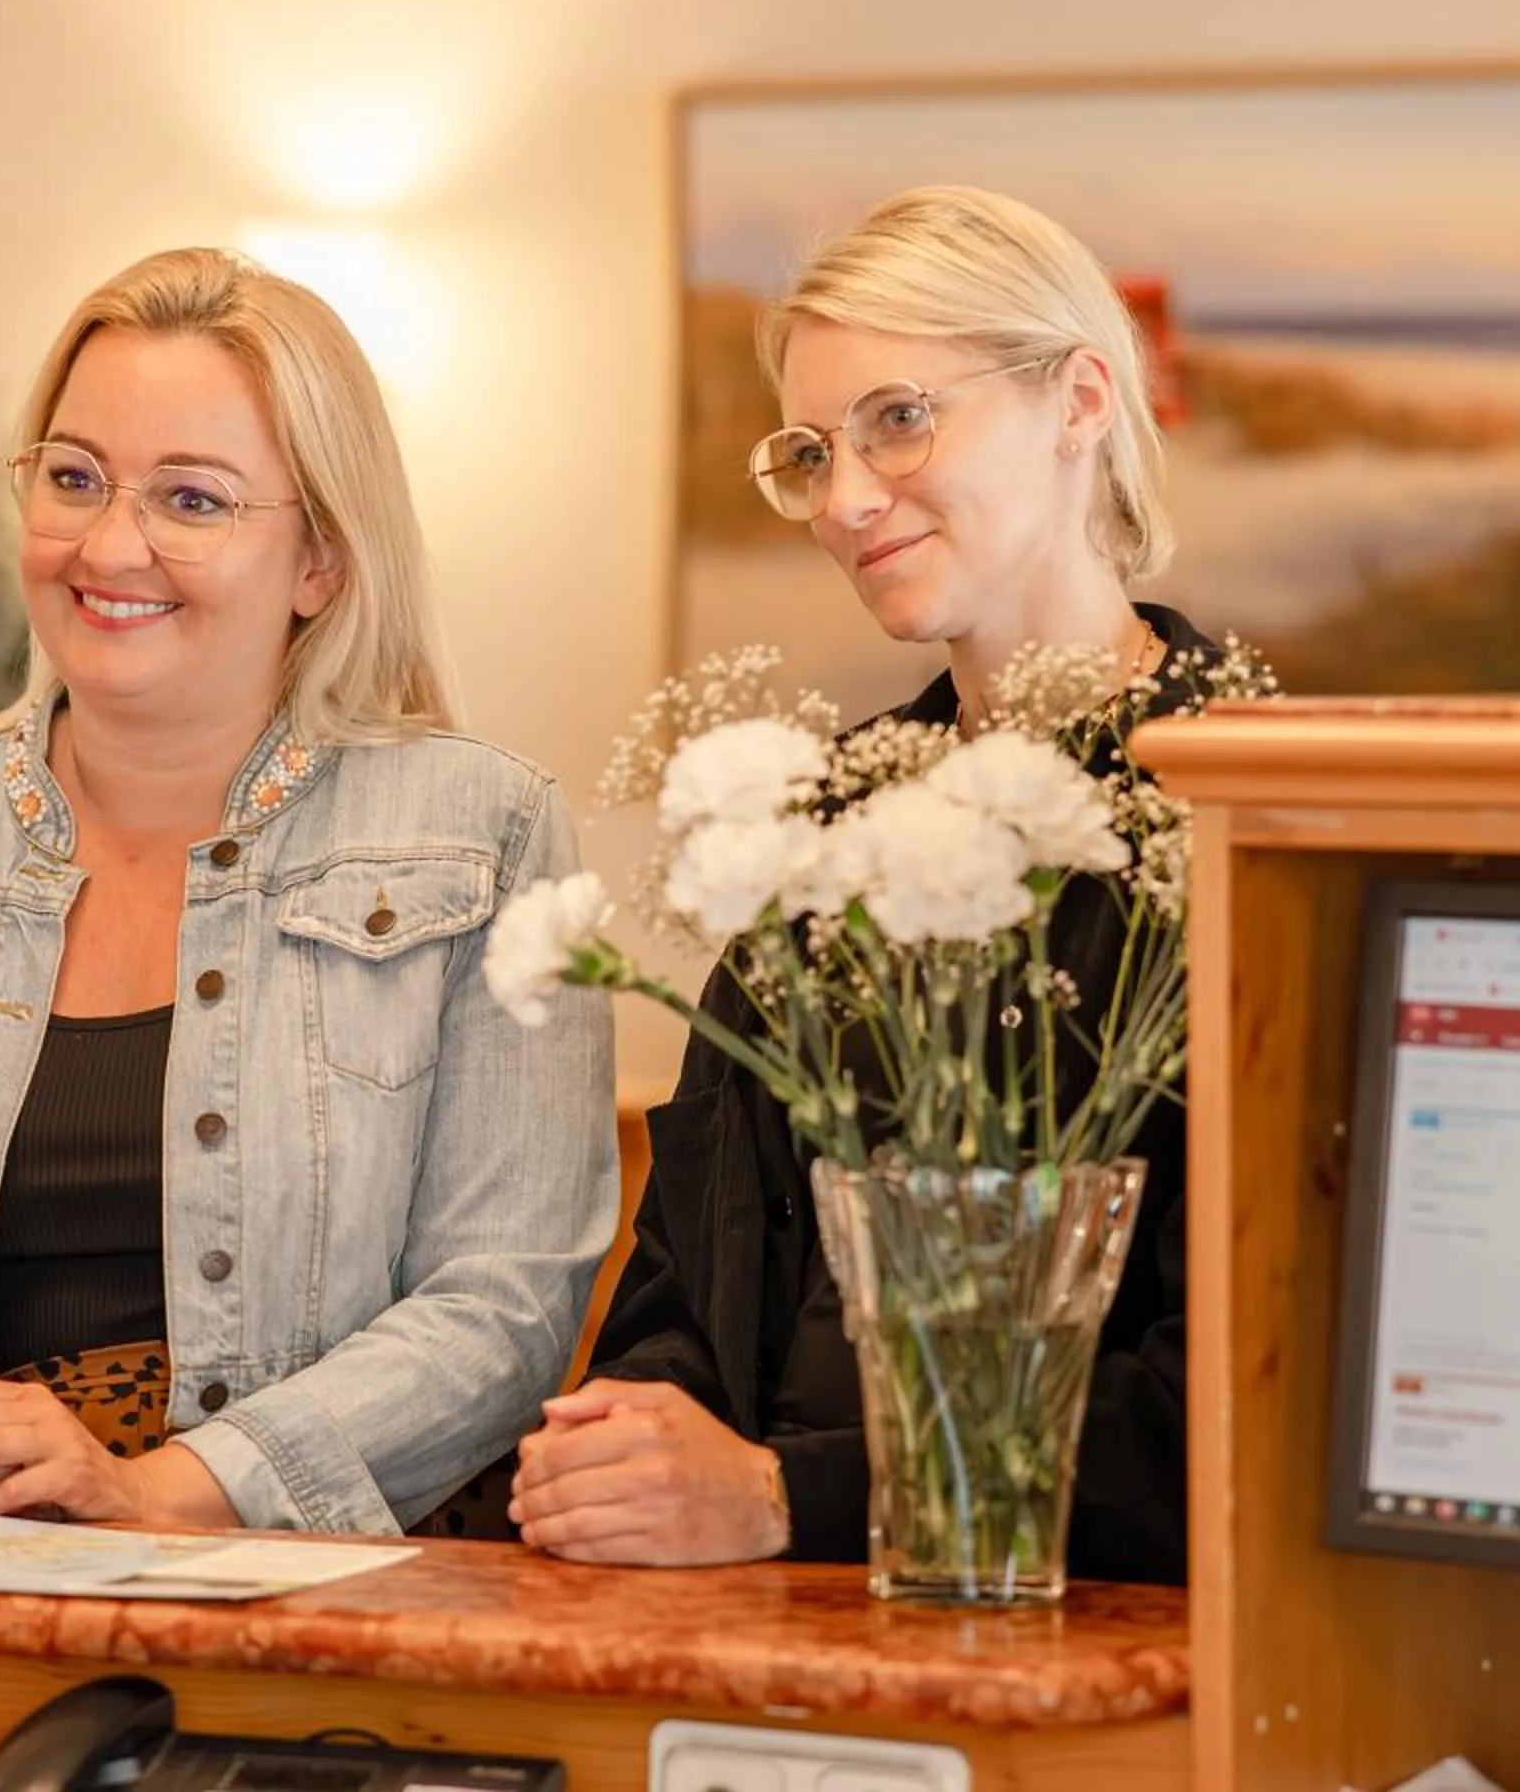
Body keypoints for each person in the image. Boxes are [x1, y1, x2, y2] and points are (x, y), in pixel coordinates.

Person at [0, 247, 616, 1537]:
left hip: (338, 1613)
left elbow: (505, 1307)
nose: (109, 543)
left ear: (322, 564)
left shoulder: (483, 836)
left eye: (192, 500)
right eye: (74, 479)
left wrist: (160, 1491)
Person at [517, 185, 1224, 1583]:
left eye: (901, 419)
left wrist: (787, 1496)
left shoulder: (1251, 825)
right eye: (809, 451)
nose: (844, 502)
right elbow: (688, 1287)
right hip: (747, 1622)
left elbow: (1234, 1401)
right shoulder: (814, 839)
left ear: (1082, 399)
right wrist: (620, 1451)